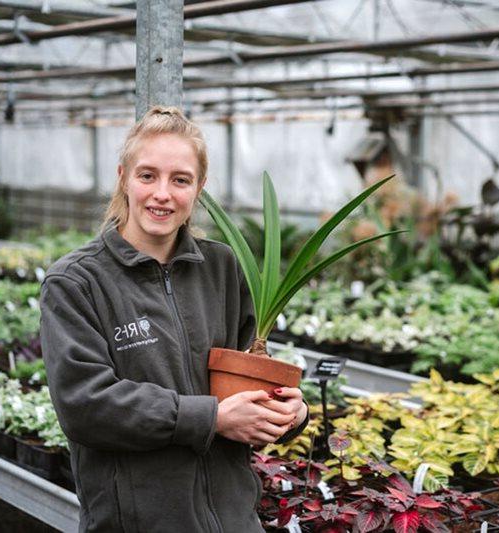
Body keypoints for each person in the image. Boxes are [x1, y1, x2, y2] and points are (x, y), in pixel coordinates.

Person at [40, 106, 309, 533]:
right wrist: (211, 418)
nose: (162, 193)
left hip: (234, 519)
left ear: (199, 188)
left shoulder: (223, 267)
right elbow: (85, 405)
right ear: (123, 177)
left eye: (180, 179)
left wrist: (290, 411)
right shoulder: (77, 281)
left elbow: (250, 374)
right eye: (147, 176)